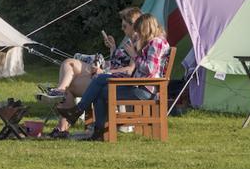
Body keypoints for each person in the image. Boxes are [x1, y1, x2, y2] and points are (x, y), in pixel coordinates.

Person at [57, 8, 169, 139]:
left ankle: (87, 121)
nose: (138, 35)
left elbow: (150, 69)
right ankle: (92, 126)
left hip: (143, 90)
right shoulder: (153, 42)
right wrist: (114, 50)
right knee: (100, 83)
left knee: (99, 87)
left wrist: (134, 55)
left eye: (139, 31)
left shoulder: (156, 42)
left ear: (145, 29)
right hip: (138, 85)